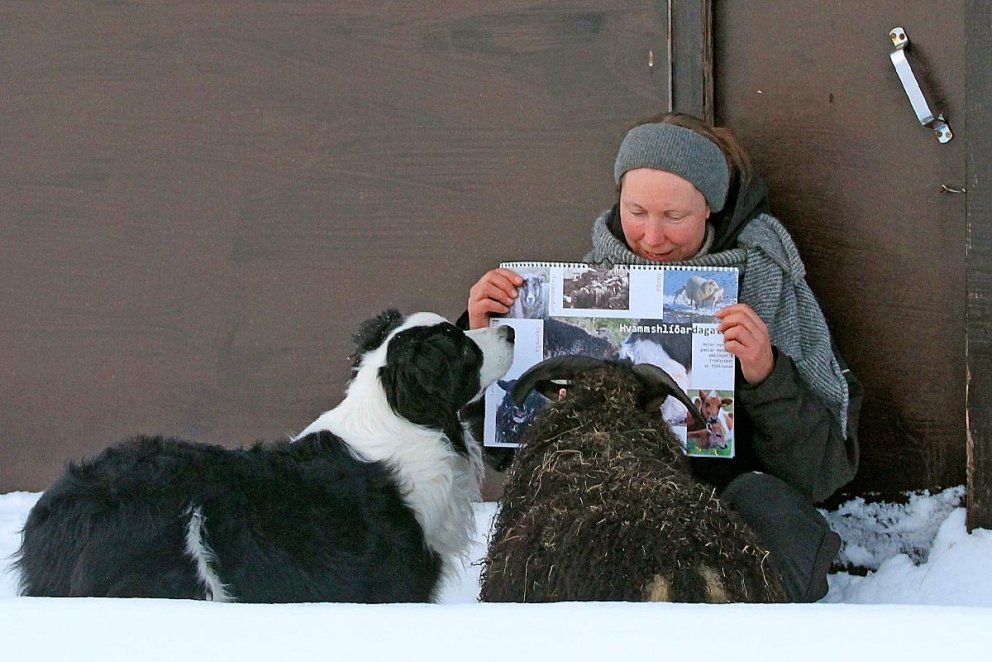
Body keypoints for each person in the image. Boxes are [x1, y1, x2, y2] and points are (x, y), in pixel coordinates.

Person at [463, 112, 862, 603]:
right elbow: (510, 454)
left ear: (710, 211)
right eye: (636, 212)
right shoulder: (578, 293)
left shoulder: (766, 283)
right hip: (619, 516)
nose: (652, 238)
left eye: (674, 217)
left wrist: (766, 376)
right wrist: (484, 339)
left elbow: (820, 475)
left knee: (768, 509)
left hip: (728, 519)